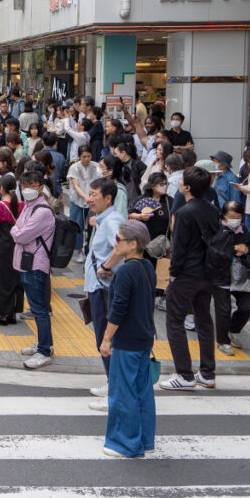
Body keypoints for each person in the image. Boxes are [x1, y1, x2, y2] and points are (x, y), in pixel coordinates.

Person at [99, 221, 156, 458]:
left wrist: (106, 339)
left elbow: (118, 309)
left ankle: (125, 444)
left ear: (133, 244)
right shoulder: (147, 267)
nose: (116, 243)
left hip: (127, 339)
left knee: (123, 393)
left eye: (119, 239)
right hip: (144, 337)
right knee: (143, 392)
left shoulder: (125, 271)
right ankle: (145, 441)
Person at [160, 165, 219, 390]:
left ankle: (184, 375)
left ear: (186, 186)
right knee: (204, 320)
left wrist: (173, 274)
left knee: (174, 321)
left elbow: (179, 249)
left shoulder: (184, 213)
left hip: (186, 274)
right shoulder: (212, 209)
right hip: (208, 273)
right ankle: (207, 373)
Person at [84, 178, 125, 410]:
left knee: (106, 339)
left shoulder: (113, 220)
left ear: (108, 198)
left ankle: (115, 393)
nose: (89, 199)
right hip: (98, 287)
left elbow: (122, 246)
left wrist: (107, 267)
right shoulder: (105, 220)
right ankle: (112, 383)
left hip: (105, 289)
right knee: (102, 337)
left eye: (93, 194)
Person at [10, 170, 57, 369]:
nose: (27, 189)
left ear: (41, 186)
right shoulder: (30, 206)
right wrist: (17, 230)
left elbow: (20, 234)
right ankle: (44, 343)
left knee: (39, 310)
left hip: (36, 265)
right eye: (24, 185)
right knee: (38, 308)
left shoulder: (43, 211)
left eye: (32, 185)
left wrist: (17, 231)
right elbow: (17, 227)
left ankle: (44, 351)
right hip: (27, 263)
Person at [211, 201, 250, 356]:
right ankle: (223, 341)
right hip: (220, 274)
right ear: (224, 216)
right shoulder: (217, 229)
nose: (235, 220)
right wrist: (234, 249)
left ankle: (233, 329)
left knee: (247, 306)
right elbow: (214, 251)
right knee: (224, 309)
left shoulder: (243, 229)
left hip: (239, 274)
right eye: (232, 217)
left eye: (238, 217)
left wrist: (246, 249)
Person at [0, 174, 24, 325]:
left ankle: (3, 315)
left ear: (2, 188)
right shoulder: (22, 205)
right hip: (18, 246)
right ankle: (13, 313)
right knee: (16, 279)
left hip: (2, 247)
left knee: (1, 281)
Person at [68, 145, 100, 262]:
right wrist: (85, 197)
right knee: (77, 226)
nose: (86, 159)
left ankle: (90, 250)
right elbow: (76, 185)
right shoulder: (74, 167)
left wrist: (92, 197)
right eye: (84, 157)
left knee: (92, 227)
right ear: (79, 156)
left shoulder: (96, 166)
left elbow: (99, 182)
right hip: (78, 201)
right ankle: (79, 251)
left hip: (93, 202)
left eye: (89, 156)